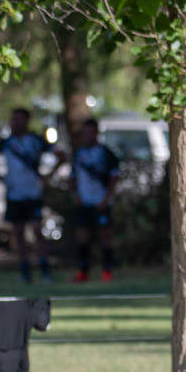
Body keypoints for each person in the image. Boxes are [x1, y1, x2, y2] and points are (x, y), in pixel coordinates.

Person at [0, 107, 57, 283]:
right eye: (13, 119)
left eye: (19, 119)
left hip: (32, 194)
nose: (15, 123)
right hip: (14, 194)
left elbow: (60, 155)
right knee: (19, 233)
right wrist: (0, 176)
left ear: (27, 121)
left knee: (38, 231)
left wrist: (47, 176)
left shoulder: (36, 141)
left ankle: (45, 271)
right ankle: (25, 273)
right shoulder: (6, 143)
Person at [67, 118, 121, 283]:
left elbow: (114, 178)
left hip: (101, 202)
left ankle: (107, 271)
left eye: (90, 132)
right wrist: (75, 195)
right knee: (82, 237)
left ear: (96, 133)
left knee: (104, 236)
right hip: (84, 202)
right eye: (85, 133)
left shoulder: (106, 154)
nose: (87, 136)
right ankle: (83, 272)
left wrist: (106, 199)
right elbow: (72, 177)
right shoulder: (78, 154)